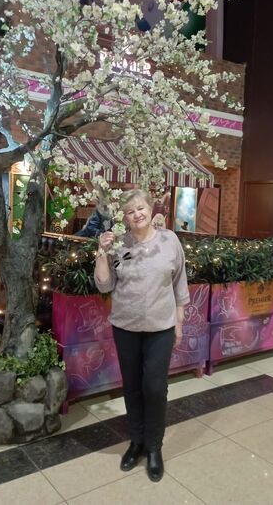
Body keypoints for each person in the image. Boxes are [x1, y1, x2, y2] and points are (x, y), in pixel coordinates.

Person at [94, 189, 189, 483]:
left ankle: (154, 446)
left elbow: (179, 282)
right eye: (130, 211)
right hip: (126, 327)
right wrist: (101, 251)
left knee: (155, 388)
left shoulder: (170, 241)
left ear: (150, 208)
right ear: (124, 217)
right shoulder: (119, 245)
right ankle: (136, 441)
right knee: (133, 387)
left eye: (140, 208)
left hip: (161, 328)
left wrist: (179, 322)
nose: (137, 214)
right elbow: (104, 284)